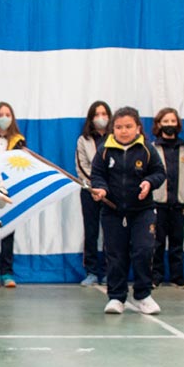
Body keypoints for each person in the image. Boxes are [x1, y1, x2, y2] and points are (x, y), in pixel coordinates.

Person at [89, 106, 165, 315]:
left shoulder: (147, 149)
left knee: (144, 250)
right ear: (113, 128)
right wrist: (101, 189)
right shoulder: (104, 150)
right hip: (112, 212)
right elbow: (97, 175)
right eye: (119, 127)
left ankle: (143, 295)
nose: (124, 131)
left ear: (138, 128)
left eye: (129, 126)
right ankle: (116, 297)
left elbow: (159, 173)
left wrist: (149, 183)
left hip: (143, 211)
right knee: (115, 255)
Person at [151, 108, 184, 288]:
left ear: (178, 124)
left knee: (177, 242)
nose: (169, 125)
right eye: (165, 121)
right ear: (159, 124)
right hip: (158, 203)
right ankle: (156, 276)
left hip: (179, 202)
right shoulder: (153, 148)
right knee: (157, 242)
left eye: (172, 121)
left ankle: (177, 277)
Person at [0, 101, 26, 287]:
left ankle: (7, 272)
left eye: (8, 115)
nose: (4, 118)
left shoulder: (19, 141)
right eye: (1, 114)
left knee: (9, 232)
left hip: (12, 191)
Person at [75, 100, 111, 286]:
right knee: (91, 231)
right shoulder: (84, 140)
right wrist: (96, 185)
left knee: (110, 232)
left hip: (111, 193)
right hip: (89, 191)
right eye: (97, 114)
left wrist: (108, 186)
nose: (101, 118)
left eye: (104, 114)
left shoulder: (115, 138)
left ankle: (108, 271)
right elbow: (82, 166)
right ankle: (91, 271)